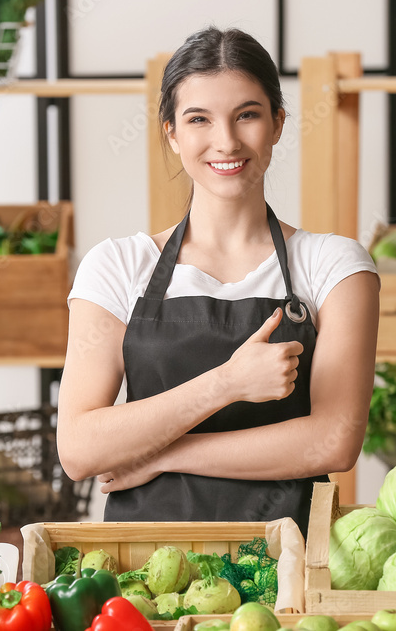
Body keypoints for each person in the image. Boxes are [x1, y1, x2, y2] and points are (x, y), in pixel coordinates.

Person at [57, 27, 379, 534]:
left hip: (284, 576)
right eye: (199, 119)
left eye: (247, 115)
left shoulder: (334, 266)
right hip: (141, 579)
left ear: (277, 123)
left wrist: (164, 455)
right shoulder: (118, 266)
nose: (225, 141)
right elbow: (78, 449)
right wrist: (226, 384)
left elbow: (333, 442)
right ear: (172, 133)